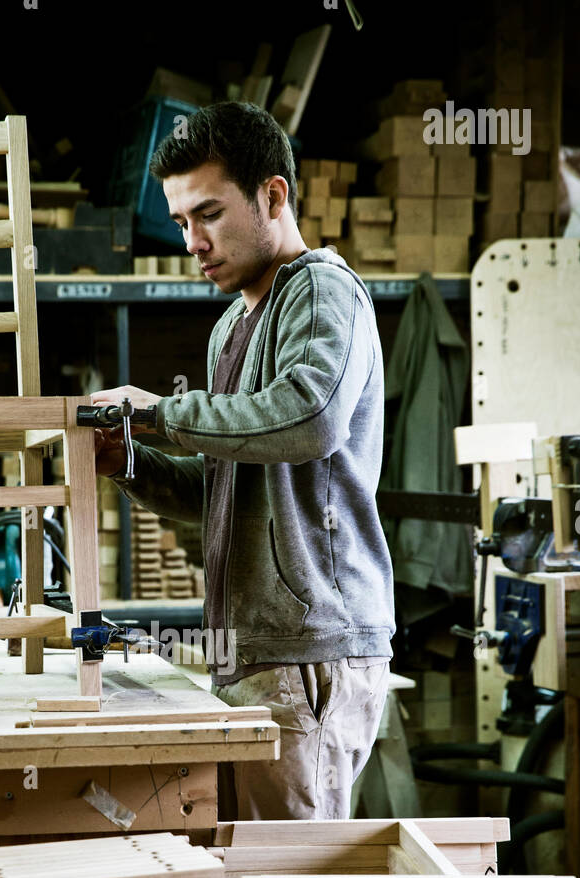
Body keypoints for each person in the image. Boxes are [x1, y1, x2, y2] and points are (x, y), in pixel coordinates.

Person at [92, 101, 395, 820]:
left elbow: (310, 417)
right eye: (181, 224)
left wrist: (158, 413)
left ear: (273, 195)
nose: (193, 241)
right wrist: (128, 462)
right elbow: (224, 493)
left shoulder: (322, 290)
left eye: (210, 214)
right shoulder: (234, 323)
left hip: (310, 648)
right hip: (256, 651)